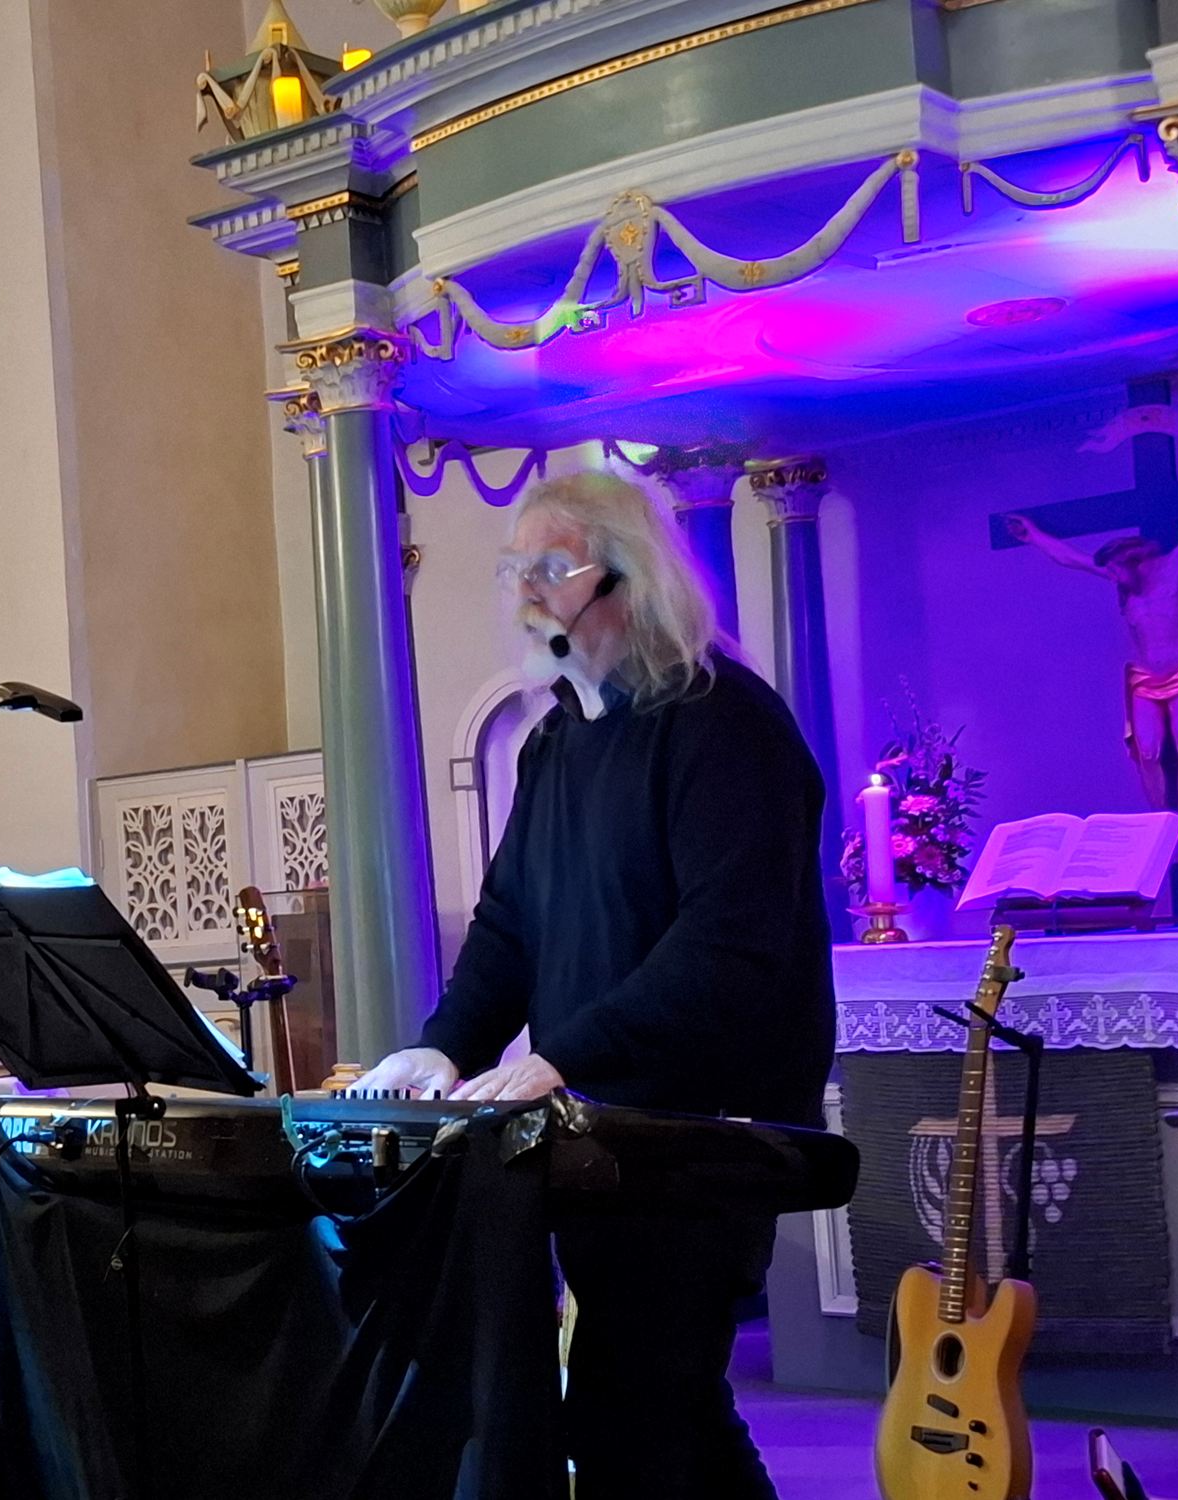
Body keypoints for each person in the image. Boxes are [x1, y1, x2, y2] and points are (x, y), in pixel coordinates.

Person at [354, 471, 836, 1500]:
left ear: (632, 579)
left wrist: (559, 1057)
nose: (525, 592)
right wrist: (444, 1044)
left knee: (638, 1409)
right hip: (602, 1131)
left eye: (550, 569)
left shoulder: (721, 723)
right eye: (512, 570)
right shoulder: (555, 743)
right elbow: (508, 925)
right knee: (659, 1414)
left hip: (703, 1130)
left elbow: (724, 949)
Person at [1004, 513, 1178, 860]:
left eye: (1118, 571)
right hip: (1144, 677)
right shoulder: (1118, 576)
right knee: (1148, 752)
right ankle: (1162, 824)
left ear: (1135, 562)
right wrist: (1033, 536)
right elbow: (1071, 558)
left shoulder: (1176, 565)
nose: (1115, 580)